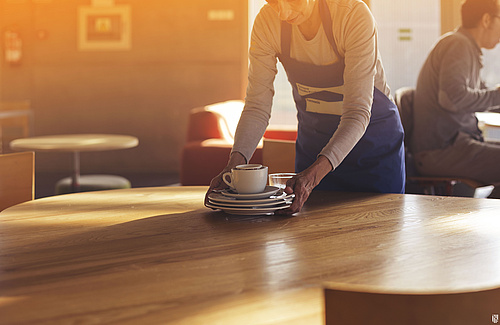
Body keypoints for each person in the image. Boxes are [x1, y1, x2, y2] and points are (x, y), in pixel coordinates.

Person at [205, 0, 405, 214]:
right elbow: (256, 106)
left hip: (372, 150)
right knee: (311, 242)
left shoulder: (352, 15)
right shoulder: (267, 23)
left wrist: (314, 175)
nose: (283, 12)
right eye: (273, 1)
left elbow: (357, 112)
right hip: (314, 150)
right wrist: (233, 167)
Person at [411, 0, 500, 197]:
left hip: (453, 146)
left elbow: (485, 97)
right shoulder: (458, 45)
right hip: (442, 150)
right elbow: (453, 99)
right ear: (486, 20)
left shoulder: (466, 47)